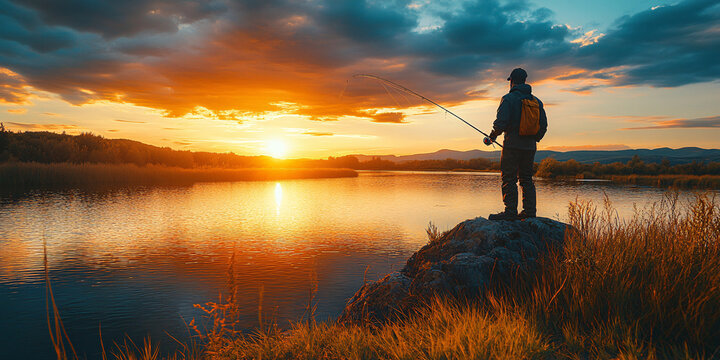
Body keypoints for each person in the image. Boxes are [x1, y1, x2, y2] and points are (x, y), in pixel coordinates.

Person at [487, 68, 548, 220]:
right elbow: (544, 125)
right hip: (530, 147)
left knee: (509, 178)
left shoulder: (508, 99)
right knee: (526, 179)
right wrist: (534, 139)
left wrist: (492, 136)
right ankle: (529, 212)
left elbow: (500, 123)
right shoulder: (537, 102)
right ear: (525, 81)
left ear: (512, 81)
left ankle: (510, 212)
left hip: (512, 146)